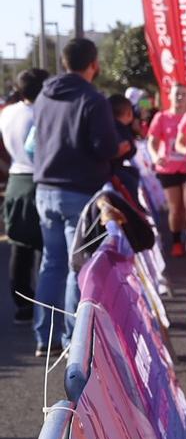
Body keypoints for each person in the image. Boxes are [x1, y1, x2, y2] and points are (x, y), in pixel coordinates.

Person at [31, 39, 119, 351]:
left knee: (50, 264)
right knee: (75, 266)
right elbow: (106, 147)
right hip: (79, 190)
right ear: (94, 64)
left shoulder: (43, 94)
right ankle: (71, 339)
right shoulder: (92, 98)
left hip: (44, 190)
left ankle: (45, 337)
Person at [2, 68, 47, 322]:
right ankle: (42, 303)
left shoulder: (8, 113)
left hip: (14, 181)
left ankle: (21, 303)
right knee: (45, 247)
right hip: (37, 179)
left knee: (19, 247)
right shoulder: (41, 113)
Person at [148, 82, 186, 253]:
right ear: (170, 96)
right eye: (177, 94)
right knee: (176, 208)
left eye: (184, 94)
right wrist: (155, 156)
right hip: (169, 169)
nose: (180, 98)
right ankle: (176, 242)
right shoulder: (162, 117)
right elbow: (152, 142)